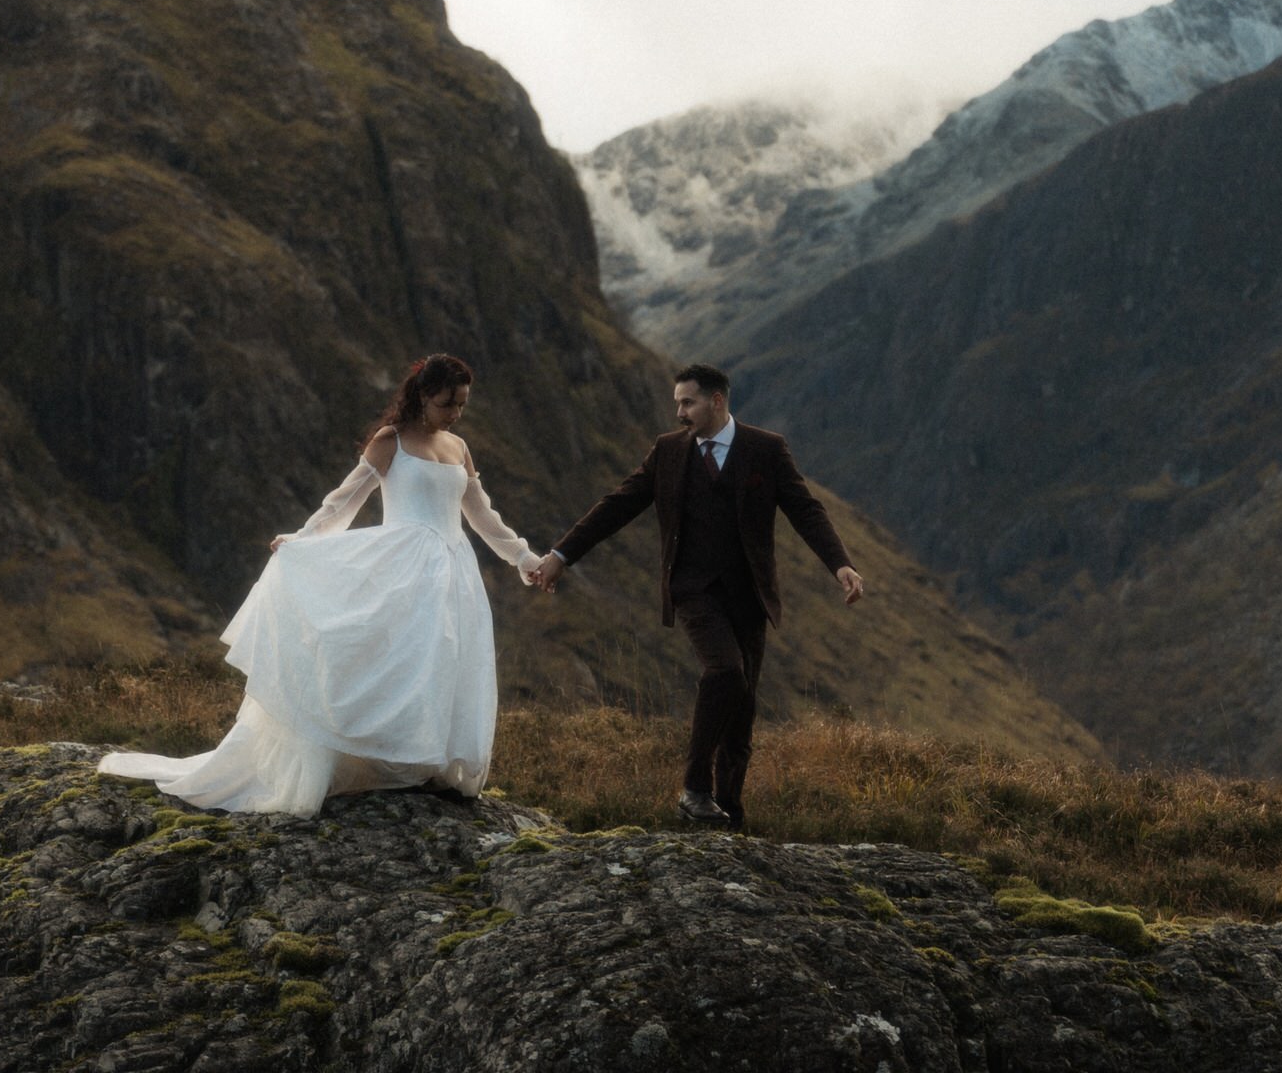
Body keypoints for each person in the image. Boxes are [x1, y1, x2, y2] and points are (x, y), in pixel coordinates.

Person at [99, 354, 541, 816]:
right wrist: (303, 538)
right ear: (424, 396)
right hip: (402, 570)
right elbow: (345, 499)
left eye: (462, 406)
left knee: (443, 665)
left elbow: (483, 516)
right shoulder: (390, 441)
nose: (455, 414)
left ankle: (428, 766)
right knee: (395, 666)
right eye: (448, 404)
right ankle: (379, 760)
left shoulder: (458, 447)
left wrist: (524, 558)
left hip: (453, 575)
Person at [530, 363, 864, 830]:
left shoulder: (765, 450)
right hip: (692, 590)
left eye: (687, 402)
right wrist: (562, 555)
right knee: (725, 670)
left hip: (750, 596)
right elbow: (618, 504)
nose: (680, 412)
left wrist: (840, 563)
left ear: (717, 401)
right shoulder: (669, 452)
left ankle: (728, 818)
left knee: (742, 713)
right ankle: (694, 788)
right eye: (677, 404)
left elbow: (805, 509)